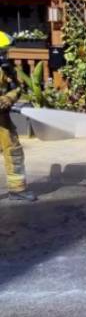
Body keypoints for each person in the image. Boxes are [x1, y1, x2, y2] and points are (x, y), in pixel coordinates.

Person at [0, 31, 32, 202]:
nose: (5, 55)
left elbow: (17, 88)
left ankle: (17, 188)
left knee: (14, 152)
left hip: (2, 120)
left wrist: (9, 98)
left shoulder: (7, 70)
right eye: (3, 51)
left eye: (6, 52)